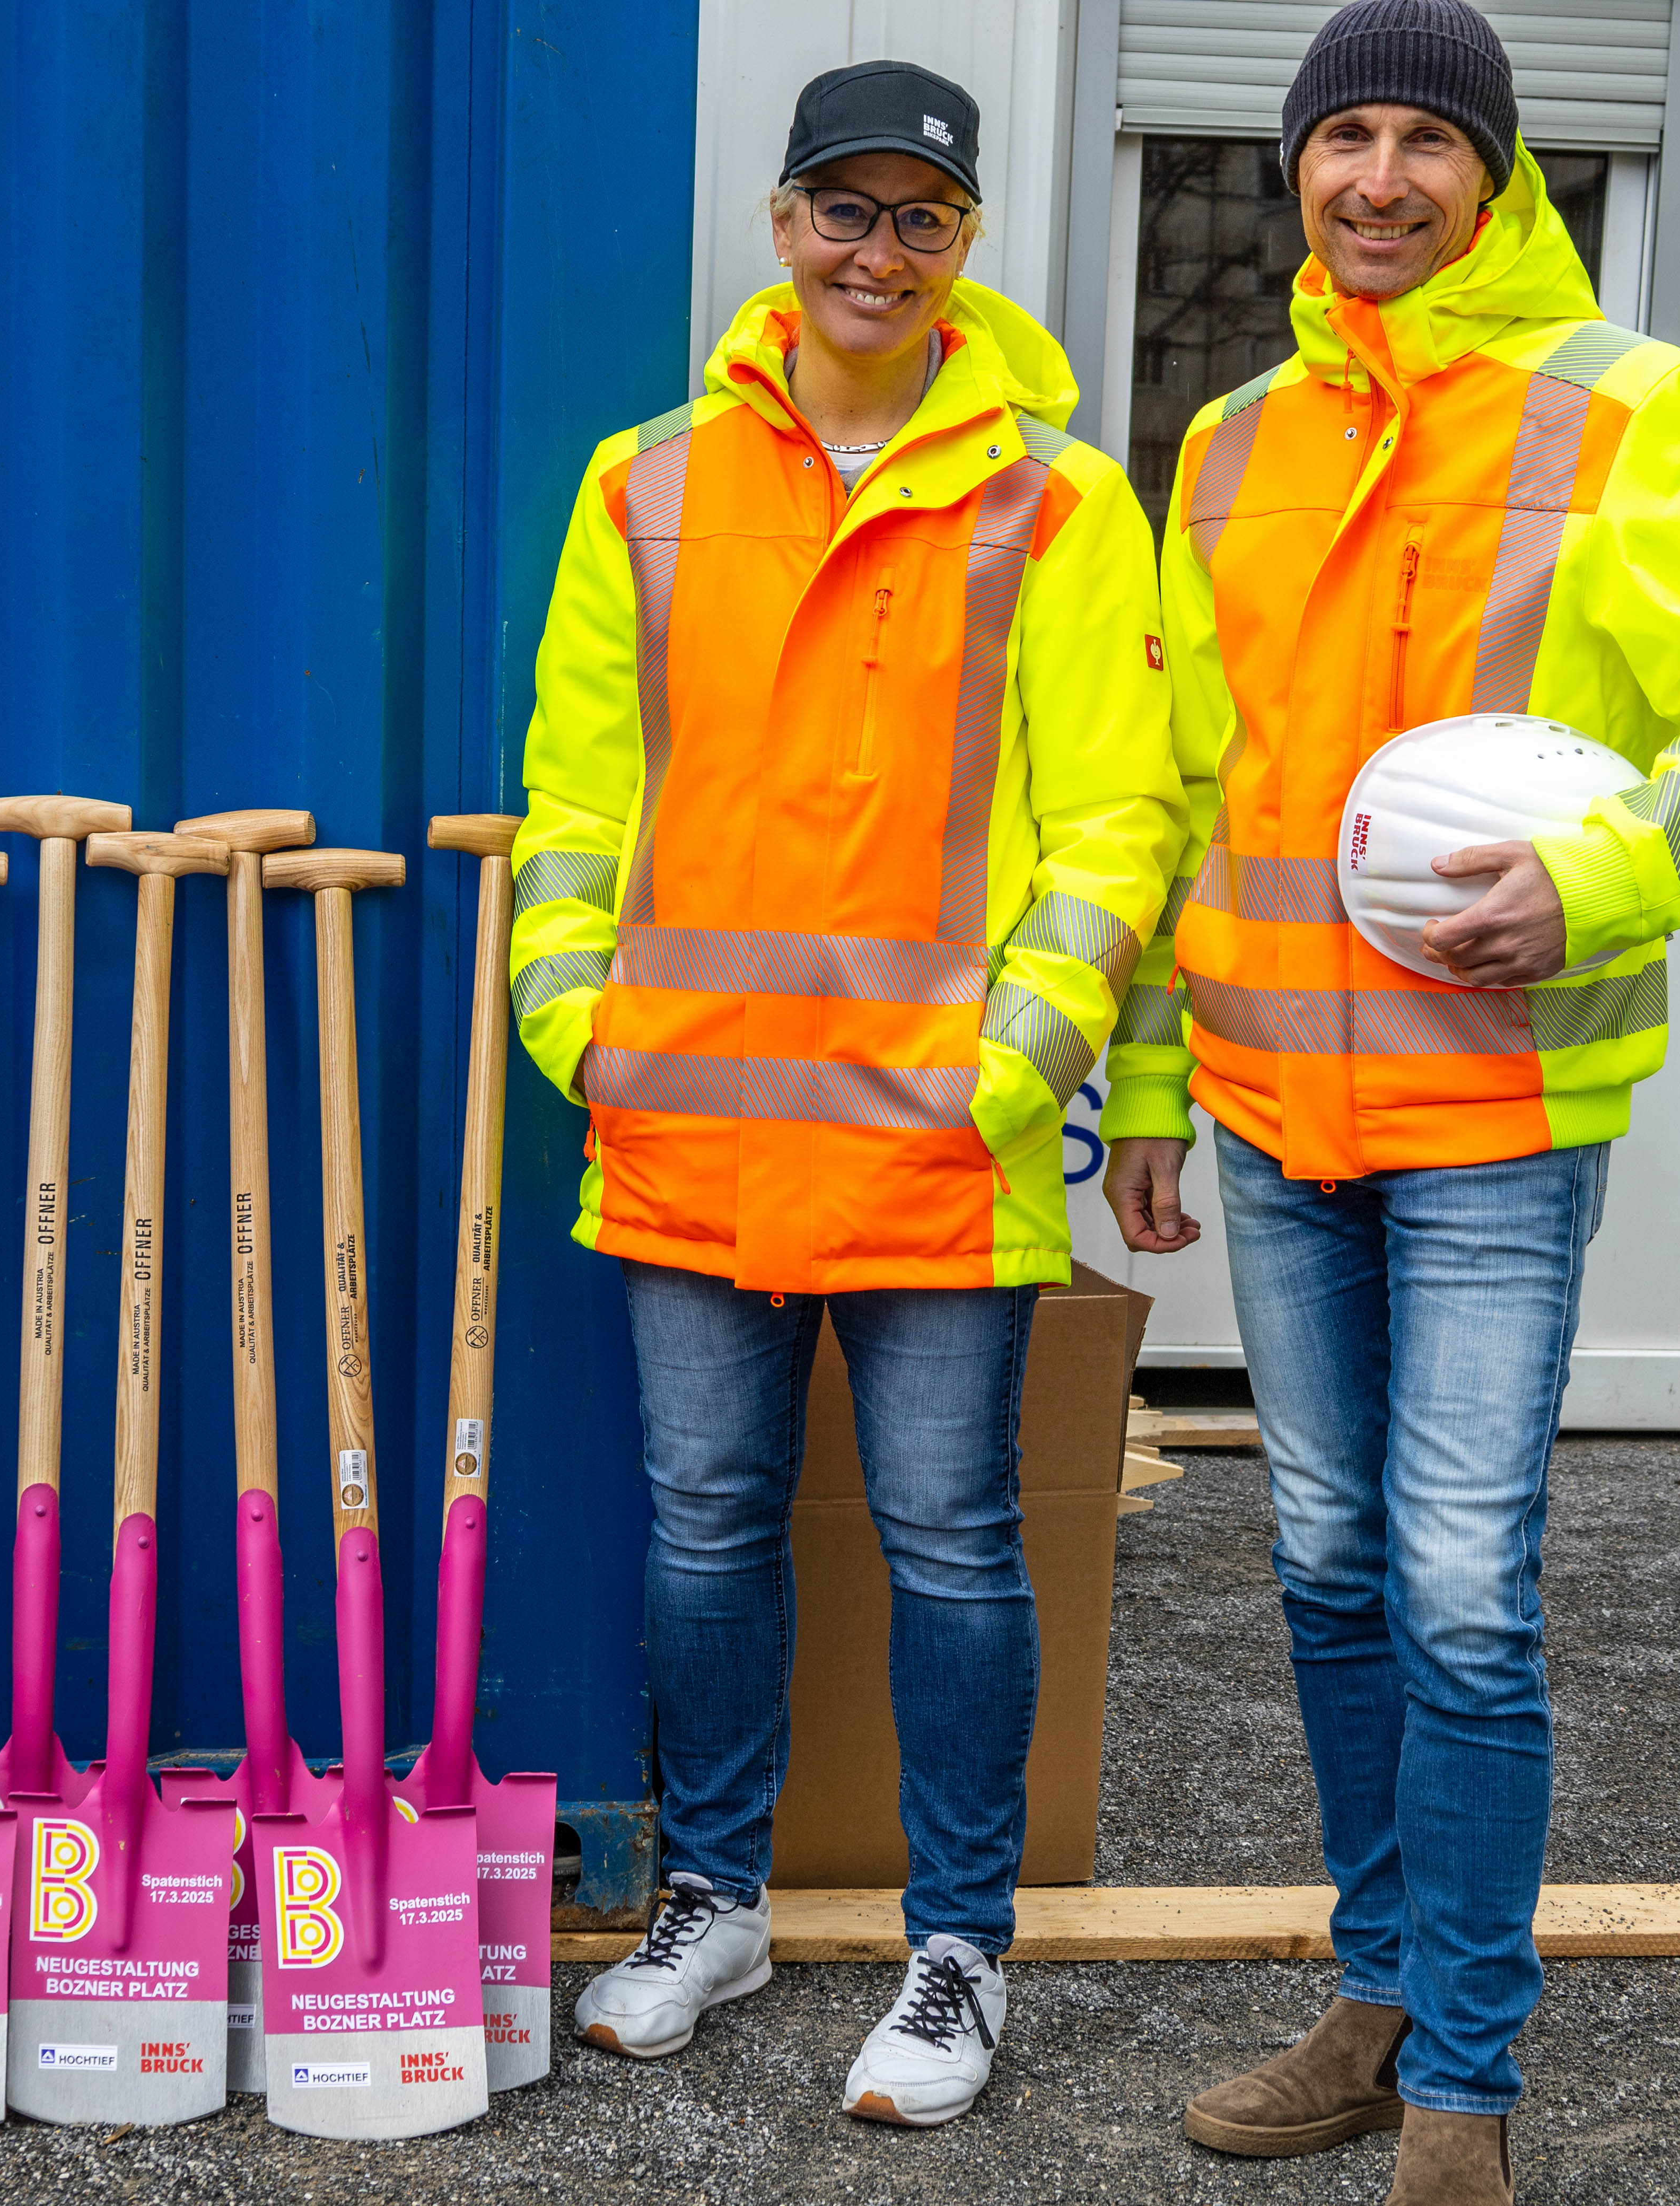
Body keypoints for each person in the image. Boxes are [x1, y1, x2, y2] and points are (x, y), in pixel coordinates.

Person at [1105, 4, 1680, 2200]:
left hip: (1496, 1115)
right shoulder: (1232, 436)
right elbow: (1183, 789)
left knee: (1458, 1587)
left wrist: (1606, 877)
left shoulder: (1624, 403)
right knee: (1328, 1563)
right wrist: (1148, 1074)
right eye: (1342, 134)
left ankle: (1462, 2078)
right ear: (1296, 165)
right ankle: (1373, 1999)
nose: (1378, 178)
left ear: (1501, 172)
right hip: (1271, 1105)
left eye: (1426, 141)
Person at [506, 58, 1183, 2128]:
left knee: (953, 1541)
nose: (878, 253)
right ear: (784, 223)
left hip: (933, 1142)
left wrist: (1017, 1061)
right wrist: (576, 1025)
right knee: (709, 1525)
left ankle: (960, 1943)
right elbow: (577, 797)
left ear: (964, 242)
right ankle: (713, 1896)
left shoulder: (1060, 502)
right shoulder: (645, 483)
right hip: (692, 1117)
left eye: (921, 217)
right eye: (844, 209)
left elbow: (1122, 820)